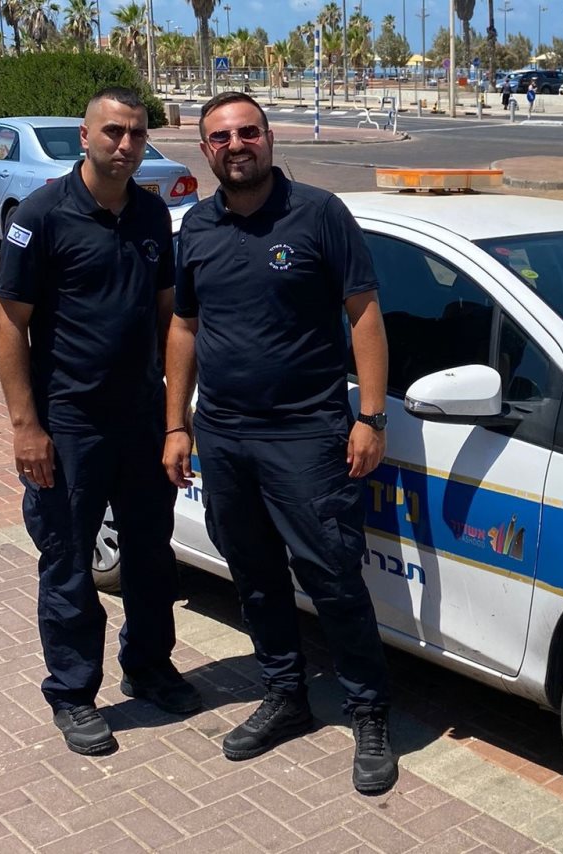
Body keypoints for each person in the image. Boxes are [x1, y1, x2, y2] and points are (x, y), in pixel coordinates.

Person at [165, 92, 397, 795]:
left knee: (333, 578)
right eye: (221, 137)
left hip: (307, 433)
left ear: (268, 139)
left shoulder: (320, 213)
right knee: (255, 575)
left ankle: (369, 712)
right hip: (224, 434)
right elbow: (184, 327)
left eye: (248, 132)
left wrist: (371, 417)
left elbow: (364, 314)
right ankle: (285, 695)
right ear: (205, 150)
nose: (236, 145)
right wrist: (176, 424)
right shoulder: (196, 227)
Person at [0, 87, 201, 757]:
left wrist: (175, 419)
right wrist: (26, 427)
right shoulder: (42, 216)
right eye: (113, 131)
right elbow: (10, 325)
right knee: (69, 564)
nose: (126, 144)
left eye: (137, 133)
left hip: (140, 420)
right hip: (68, 427)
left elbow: (170, 317)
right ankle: (73, 693)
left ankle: (149, 667)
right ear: (85, 137)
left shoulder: (151, 214)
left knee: (150, 556)